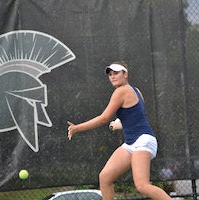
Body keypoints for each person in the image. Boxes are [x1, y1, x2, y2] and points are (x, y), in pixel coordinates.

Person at [67, 61, 171, 200]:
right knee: (105, 177)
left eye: (116, 73)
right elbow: (135, 117)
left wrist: (77, 128)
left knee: (142, 185)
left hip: (143, 141)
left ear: (125, 74)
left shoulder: (121, 91)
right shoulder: (136, 91)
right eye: (110, 74)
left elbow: (104, 118)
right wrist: (118, 125)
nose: (112, 77)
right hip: (131, 143)